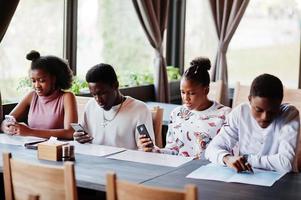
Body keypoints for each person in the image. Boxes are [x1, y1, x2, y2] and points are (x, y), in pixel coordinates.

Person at [205, 74, 300, 173]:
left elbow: (286, 164)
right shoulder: (240, 112)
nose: (265, 117)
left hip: (283, 183)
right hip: (247, 179)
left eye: (272, 111)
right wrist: (226, 158)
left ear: (280, 103)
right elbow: (211, 150)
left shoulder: (290, 114)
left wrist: (246, 159)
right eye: (258, 110)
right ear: (250, 99)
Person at [139, 57, 230, 158]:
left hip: (210, 172)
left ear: (206, 90)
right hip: (179, 170)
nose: (186, 98)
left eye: (192, 93)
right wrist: (154, 150)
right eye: (182, 92)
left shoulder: (225, 115)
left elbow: (229, 155)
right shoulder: (177, 114)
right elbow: (172, 151)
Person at [73, 63, 155, 149]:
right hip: (94, 160)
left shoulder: (139, 109)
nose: (98, 100)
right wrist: (78, 138)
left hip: (125, 161)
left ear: (115, 85)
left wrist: (146, 147)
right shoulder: (91, 105)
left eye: (102, 93)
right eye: (94, 95)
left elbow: (147, 149)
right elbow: (84, 139)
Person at [1, 50, 78, 139]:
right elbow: (8, 119)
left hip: (56, 150)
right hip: (30, 148)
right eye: (33, 81)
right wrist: (5, 126)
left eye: (42, 81)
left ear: (54, 79)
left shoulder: (67, 97)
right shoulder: (32, 96)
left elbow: (70, 132)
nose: (37, 85)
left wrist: (30, 132)